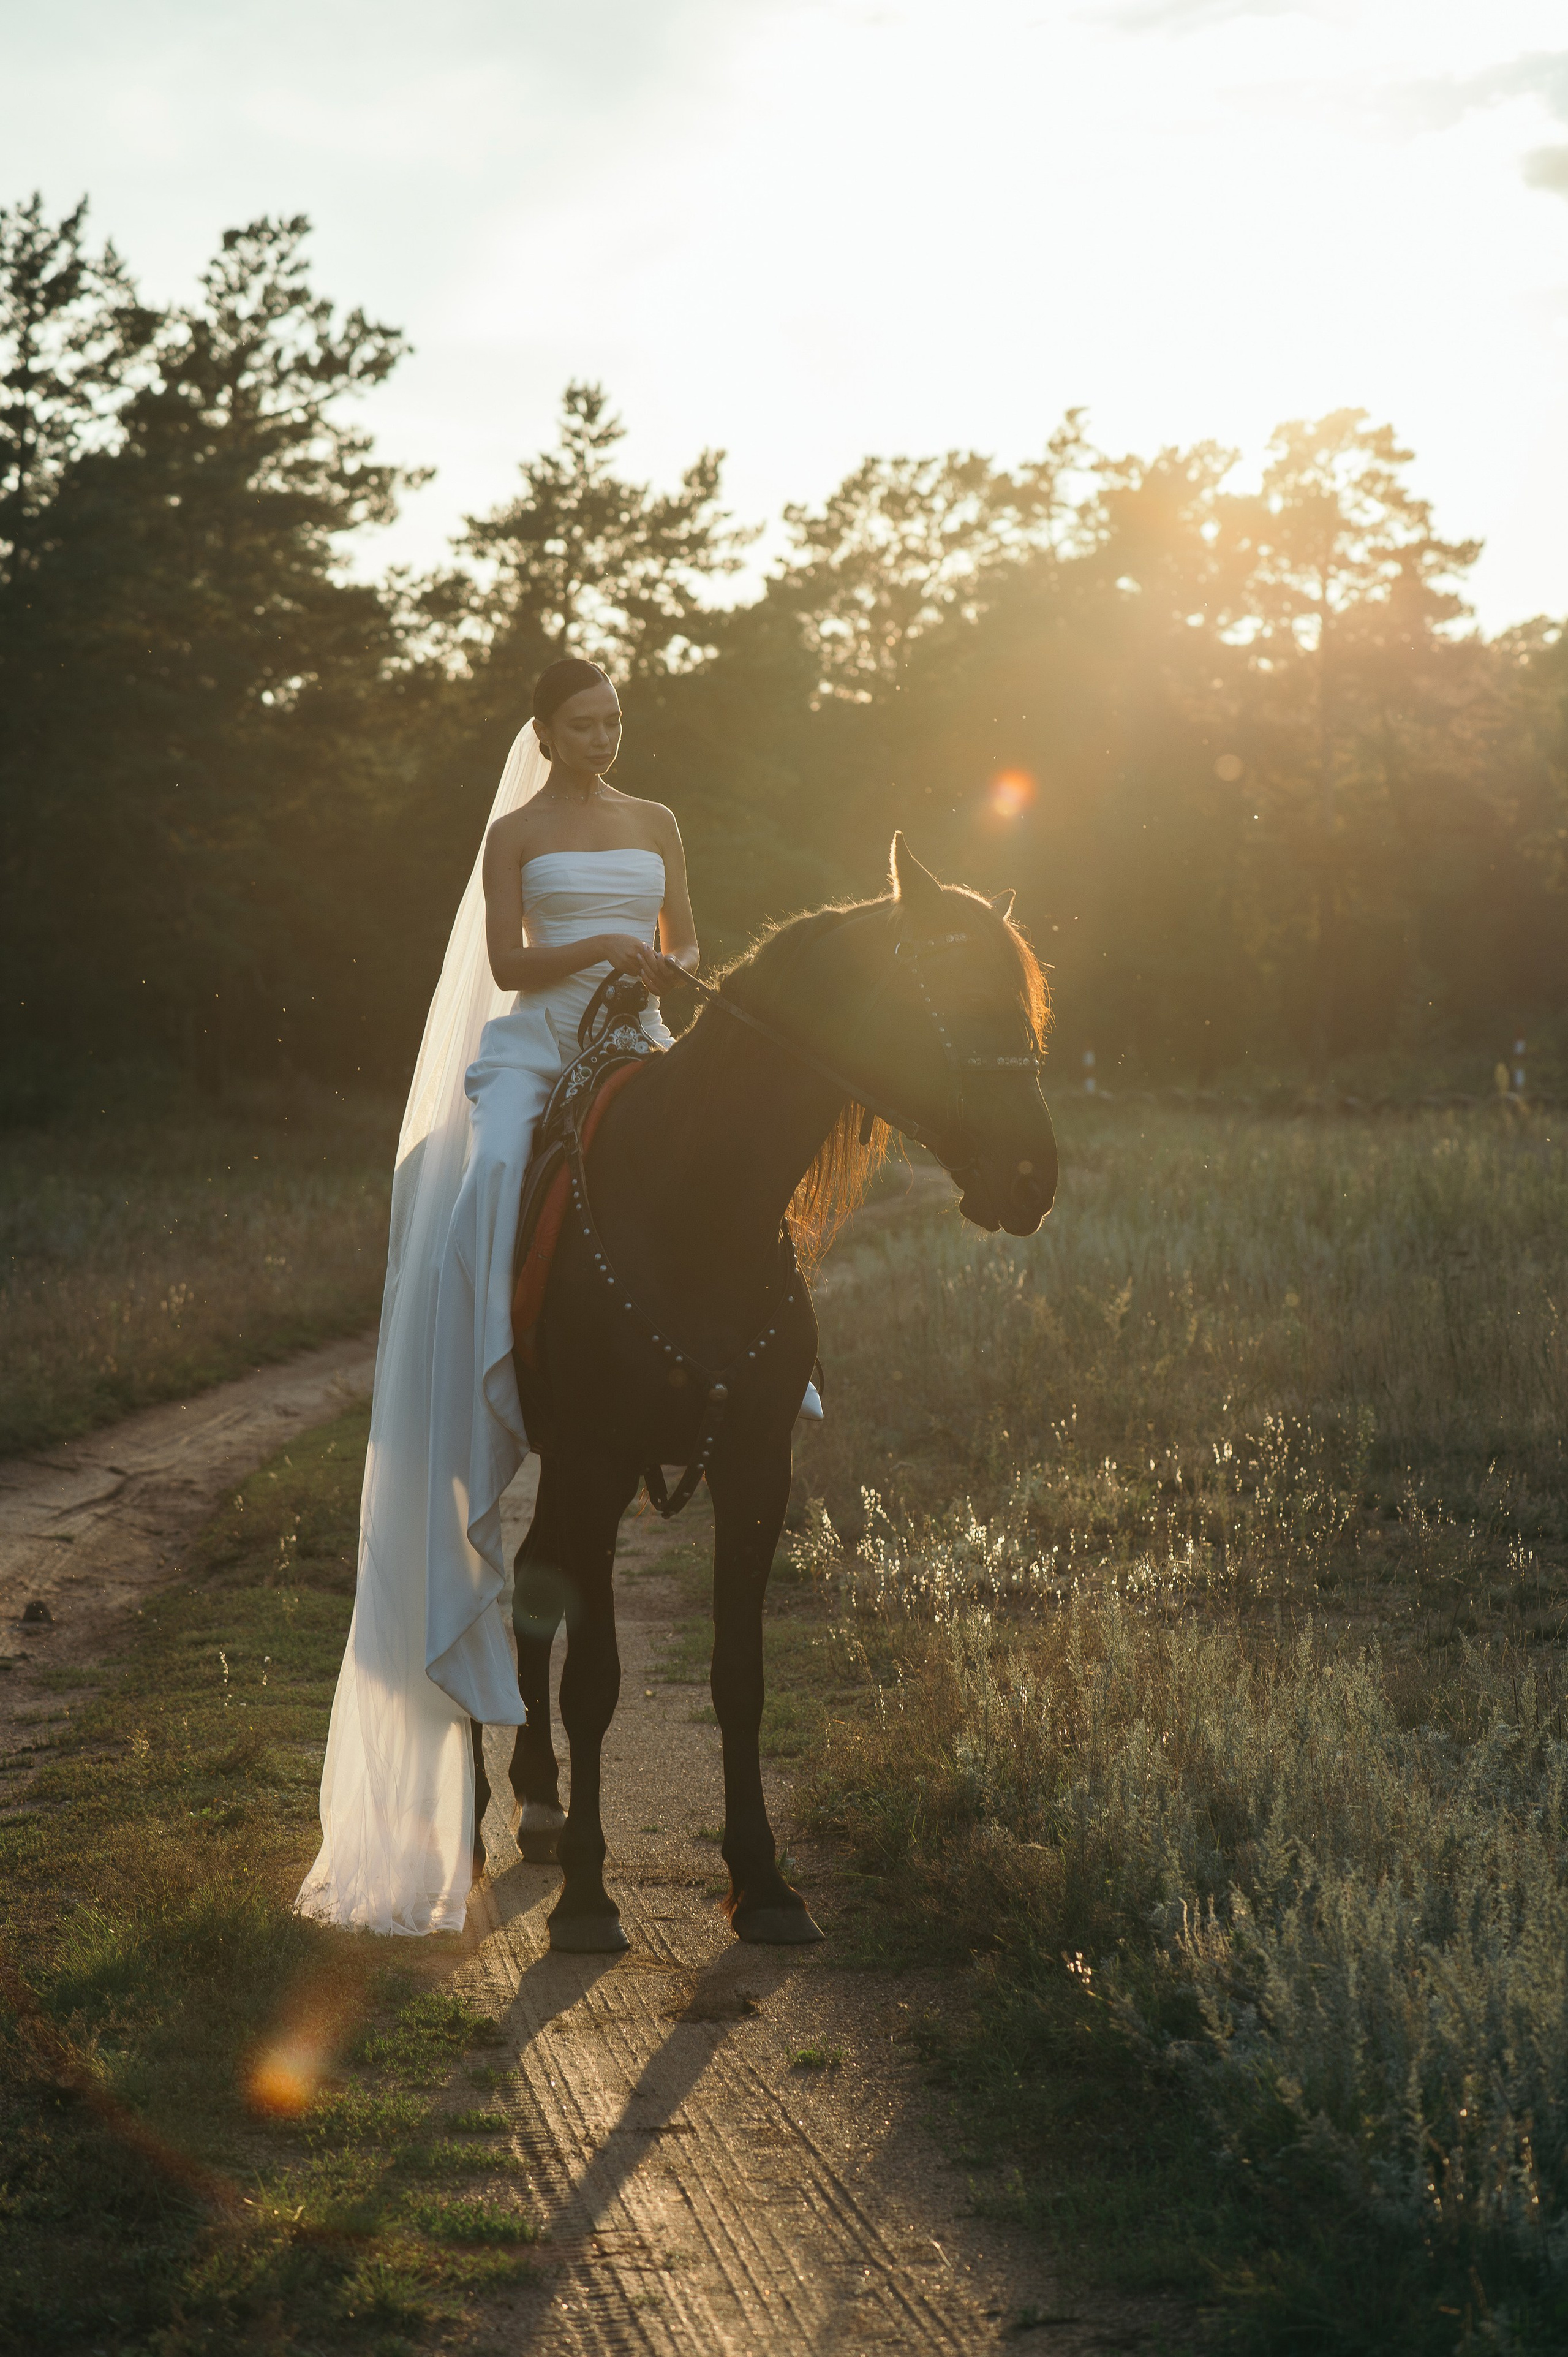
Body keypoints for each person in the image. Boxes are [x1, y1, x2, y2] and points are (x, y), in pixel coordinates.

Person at [296, 659, 698, 1935]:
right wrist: (595, 949)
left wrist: (666, 971)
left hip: (637, 1035)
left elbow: (687, 937)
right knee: (483, 1180)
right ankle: (480, 1341)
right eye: (581, 723)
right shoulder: (515, 834)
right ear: (542, 732)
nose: (601, 737)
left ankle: (757, 1365)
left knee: (722, 1194)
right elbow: (512, 967)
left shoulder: (659, 822)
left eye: (613, 720)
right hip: (543, 1042)